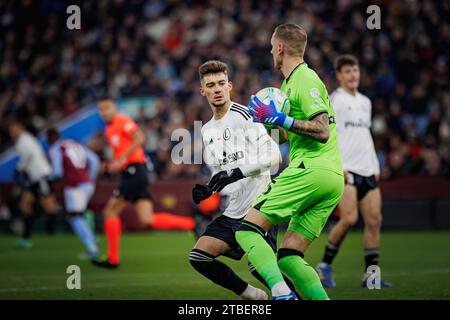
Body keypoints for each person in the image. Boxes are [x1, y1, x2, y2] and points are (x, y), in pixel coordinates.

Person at [231, 23, 345, 300]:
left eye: (272, 47)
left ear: (280, 48)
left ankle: (282, 294)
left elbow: (321, 130)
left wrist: (281, 118)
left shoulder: (304, 79)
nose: (271, 52)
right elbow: (292, 134)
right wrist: (266, 122)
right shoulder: (289, 84)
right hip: (331, 176)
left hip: (310, 169)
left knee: (246, 231)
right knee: (289, 256)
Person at [189, 60, 298, 300]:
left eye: (220, 84)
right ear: (202, 91)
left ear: (229, 86)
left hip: (260, 204)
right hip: (234, 209)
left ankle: (298, 297)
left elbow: (273, 156)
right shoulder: (207, 130)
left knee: (258, 267)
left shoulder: (245, 115)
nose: (216, 89)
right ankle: (252, 295)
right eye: (210, 85)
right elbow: (223, 173)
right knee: (199, 256)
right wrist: (210, 189)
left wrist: (238, 172)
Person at [315, 54, 392, 288]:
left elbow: (364, 136)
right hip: (346, 169)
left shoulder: (366, 102)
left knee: (374, 221)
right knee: (349, 219)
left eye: (355, 70)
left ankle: (371, 275)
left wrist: (375, 165)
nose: (353, 75)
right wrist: (340, 165)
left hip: (368, 169)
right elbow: (329, 137)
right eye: (347, 71)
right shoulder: (334, 101)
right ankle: (324, 266)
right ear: (339, 76)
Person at [92, 97, 195, 269]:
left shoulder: (122, 121)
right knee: (146, 219)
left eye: (107, 108)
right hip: (130, 173)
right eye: (101, 109)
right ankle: (192, 224)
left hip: (135, 172)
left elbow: (139, 139)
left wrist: (122, 159)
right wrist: (112, 164)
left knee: (110, 212)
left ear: (114, 108)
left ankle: (112, 258)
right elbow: (122, 152)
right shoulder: (109, 129)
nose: (104, 112)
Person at [47, 127, 100, 259]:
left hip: (75, 186)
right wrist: (91, 178)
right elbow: (94, 160)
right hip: (87, 184)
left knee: (74, 217)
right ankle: (91, 235)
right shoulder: (74, 144)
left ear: (49, 138)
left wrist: (46, 177)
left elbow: (57, 172)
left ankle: (92, 246)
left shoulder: (55, 149)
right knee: (78, 214)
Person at [9, 120, 59, 249]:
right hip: (34, 178)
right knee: (24, 205)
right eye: (11, 131)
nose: (12, 133)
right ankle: (25, 238)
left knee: (50, 208)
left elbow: (28, 156)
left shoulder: (23, 140)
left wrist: (19, 169)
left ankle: (54, 234)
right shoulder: (25, 139)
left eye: (14, 130)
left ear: (20, 128)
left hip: (40, 176)